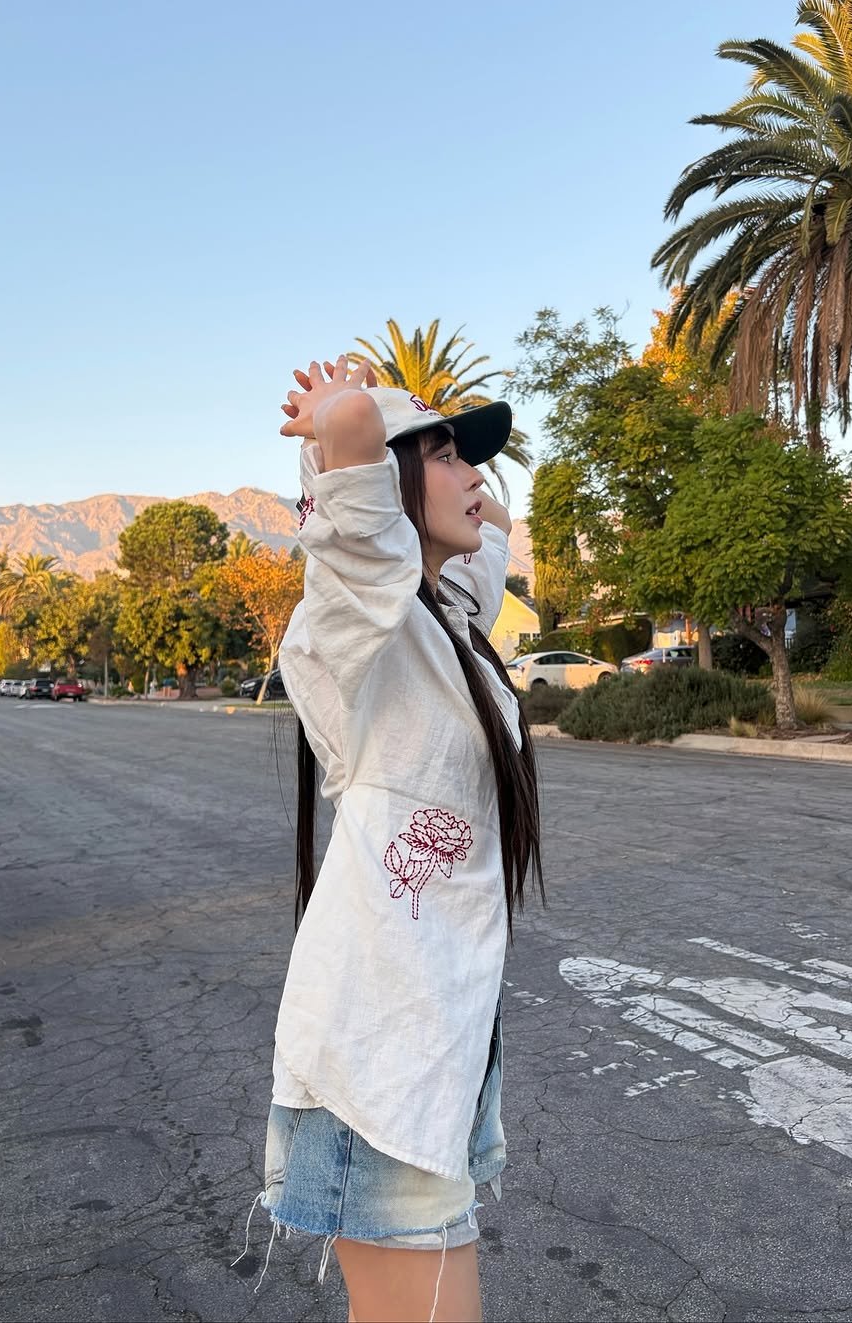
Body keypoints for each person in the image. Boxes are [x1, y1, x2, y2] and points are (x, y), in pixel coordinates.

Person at [234, 356, 544, 1322]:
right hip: (379, 1058)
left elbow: (484, 541)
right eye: (447, 458)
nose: (475, 479)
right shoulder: (349, 624)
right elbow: (364, 530)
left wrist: (433, 460)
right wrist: (348, 423)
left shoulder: (444, 619)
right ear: (382, 488)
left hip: (438, 1048)